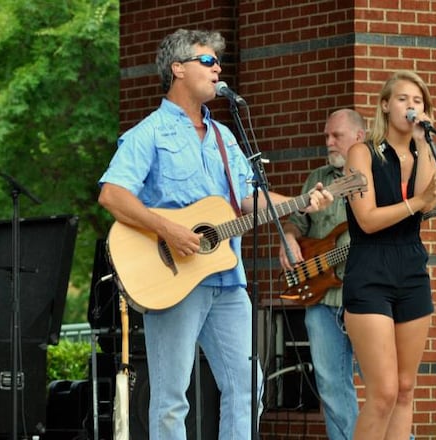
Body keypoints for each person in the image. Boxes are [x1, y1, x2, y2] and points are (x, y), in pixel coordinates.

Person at [98, 29, 333, 440]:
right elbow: (112, 195)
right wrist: (168, 230)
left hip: (228, 280)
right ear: (178, 69)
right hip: (172, 280)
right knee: (172, 396)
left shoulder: (224, 137)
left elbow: (248, 201)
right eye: (207, 62)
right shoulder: (148, 133)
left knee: (247, 386)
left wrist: (300, 202)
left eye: (217, 63)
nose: (218, 69)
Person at [342, 70, 436, 440]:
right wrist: (418, 202)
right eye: (403, 99)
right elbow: (367, 219)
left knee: (405, 388)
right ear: (385, 105)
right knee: (383, 392)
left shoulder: (423, 151)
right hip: (370, 269)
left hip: (411, 267)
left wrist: (423, 143)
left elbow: (424, 202)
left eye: (418, 101)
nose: (411, 106)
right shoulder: (362, 153)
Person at [280, 109, 366, 440]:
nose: (328, 142)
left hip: (364, 296)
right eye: (326, 136)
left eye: (336, 136)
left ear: (359, 137)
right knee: (331, 387)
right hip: (320, 297)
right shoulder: (318, 175)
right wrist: (287, 237)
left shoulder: (379, 175)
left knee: (383, 389)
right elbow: (297, 222)